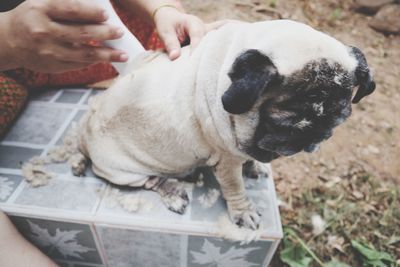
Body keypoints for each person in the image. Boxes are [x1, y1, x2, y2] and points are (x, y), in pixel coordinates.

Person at [0, 1, 223, 266]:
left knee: (179, 50)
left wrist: (162, 10)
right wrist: (7, 38)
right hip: (9, 63)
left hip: (108, 35)